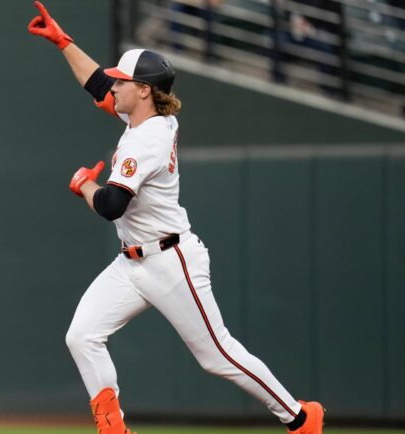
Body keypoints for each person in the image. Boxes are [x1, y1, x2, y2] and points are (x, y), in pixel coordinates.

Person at [27, 2, 326, 433]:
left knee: (216, 355)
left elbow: (112, 204)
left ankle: (300, 418)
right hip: (131, 262)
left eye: (122, 81)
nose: (114, 85)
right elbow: (97, 84)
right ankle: (113, 428)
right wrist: (63, 41)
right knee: (82, 335)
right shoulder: (146, 116)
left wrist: (83, 185)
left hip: (171, 260)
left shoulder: (146, 139)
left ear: (144, 90)